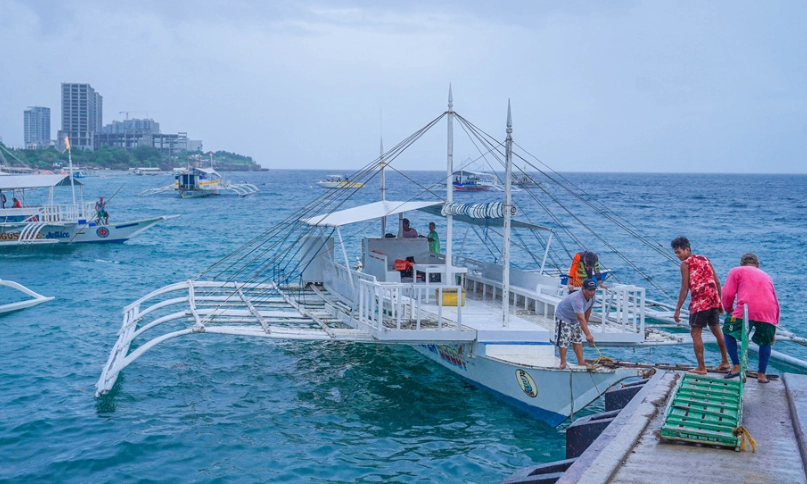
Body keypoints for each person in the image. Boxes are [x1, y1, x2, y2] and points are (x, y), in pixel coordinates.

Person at [671, 236, 731, 375]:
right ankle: (725, 361)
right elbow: (717, 282)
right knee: (717, 331)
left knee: (695, 333)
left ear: (687, 249)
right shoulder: (705, 259)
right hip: (713, 300)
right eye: (676, 253)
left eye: (679, 252)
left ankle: (701, 367)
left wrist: (678, 309)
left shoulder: (685, 264)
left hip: (700, 303)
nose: (678, 255)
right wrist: (719, 302)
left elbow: (684, 288)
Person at [721, 253, 779, 383]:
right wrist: (773, 327)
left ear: (741, 264)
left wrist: (728, 309)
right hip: (769, 311)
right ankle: (762, 375)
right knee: (766, 342)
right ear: (757, 265)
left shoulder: (736, 271)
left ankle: (737, 366)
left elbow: (728, 293)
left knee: (728, 331)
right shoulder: (766, 275)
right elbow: (775, 300)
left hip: (746, 309)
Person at [553, 278, 598, 369]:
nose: (592, 292)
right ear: (583, 289)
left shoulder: (592, 297)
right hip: (564, 316)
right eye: (590, 290)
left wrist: (585, 324)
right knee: (564, 339)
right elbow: (581, 318)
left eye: (593, 290)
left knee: (577, 339)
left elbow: (588, 310)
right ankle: (563, 362)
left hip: (575, 318)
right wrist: (588, 334)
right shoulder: (577, 299)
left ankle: (581, 362)